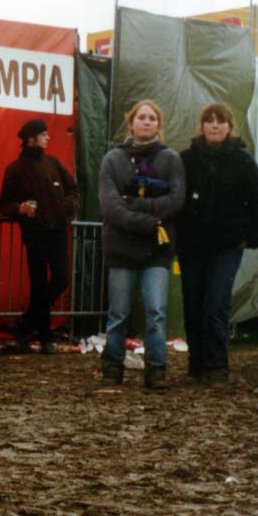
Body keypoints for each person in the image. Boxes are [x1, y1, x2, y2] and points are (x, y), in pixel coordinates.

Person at [98, 99, 185, 390]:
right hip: (122, 248)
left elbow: (176, 201)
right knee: (118, 313)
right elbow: (111, 206)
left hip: (156, 251)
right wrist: (147, 220)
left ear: (158, 124)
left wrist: (135, 204)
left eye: (152, 118)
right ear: (131, 121)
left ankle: (156, 370)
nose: (146, 122)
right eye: (141, 117)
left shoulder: (171, 159)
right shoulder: (112, 159)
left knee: (156, 312)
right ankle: (112, 367)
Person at [176, 103, 258, 385]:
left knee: (217, 303)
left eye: (220, 121)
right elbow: (177, 200)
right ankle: (196, 364)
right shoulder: (186, 159)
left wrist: (251, 235)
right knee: (193, 303)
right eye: (209, 121)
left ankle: (217, 366)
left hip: (227, 243)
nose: (215, 125)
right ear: (201, 125)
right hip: (192, 244)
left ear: (229, 126)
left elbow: (257, 201)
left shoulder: (243, 160)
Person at [0, 118, 79, 353]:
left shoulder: (53, 163)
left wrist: (66, 207)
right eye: (43, 134)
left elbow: (73, 189)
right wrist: (19, 209)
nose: (48, 137)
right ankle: (45, 337)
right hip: (33, 233)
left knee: (61, 279)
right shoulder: (14, 169)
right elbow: (3, 204)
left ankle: (26, 323)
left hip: (58, 231)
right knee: (39, 284)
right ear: (30, 139)